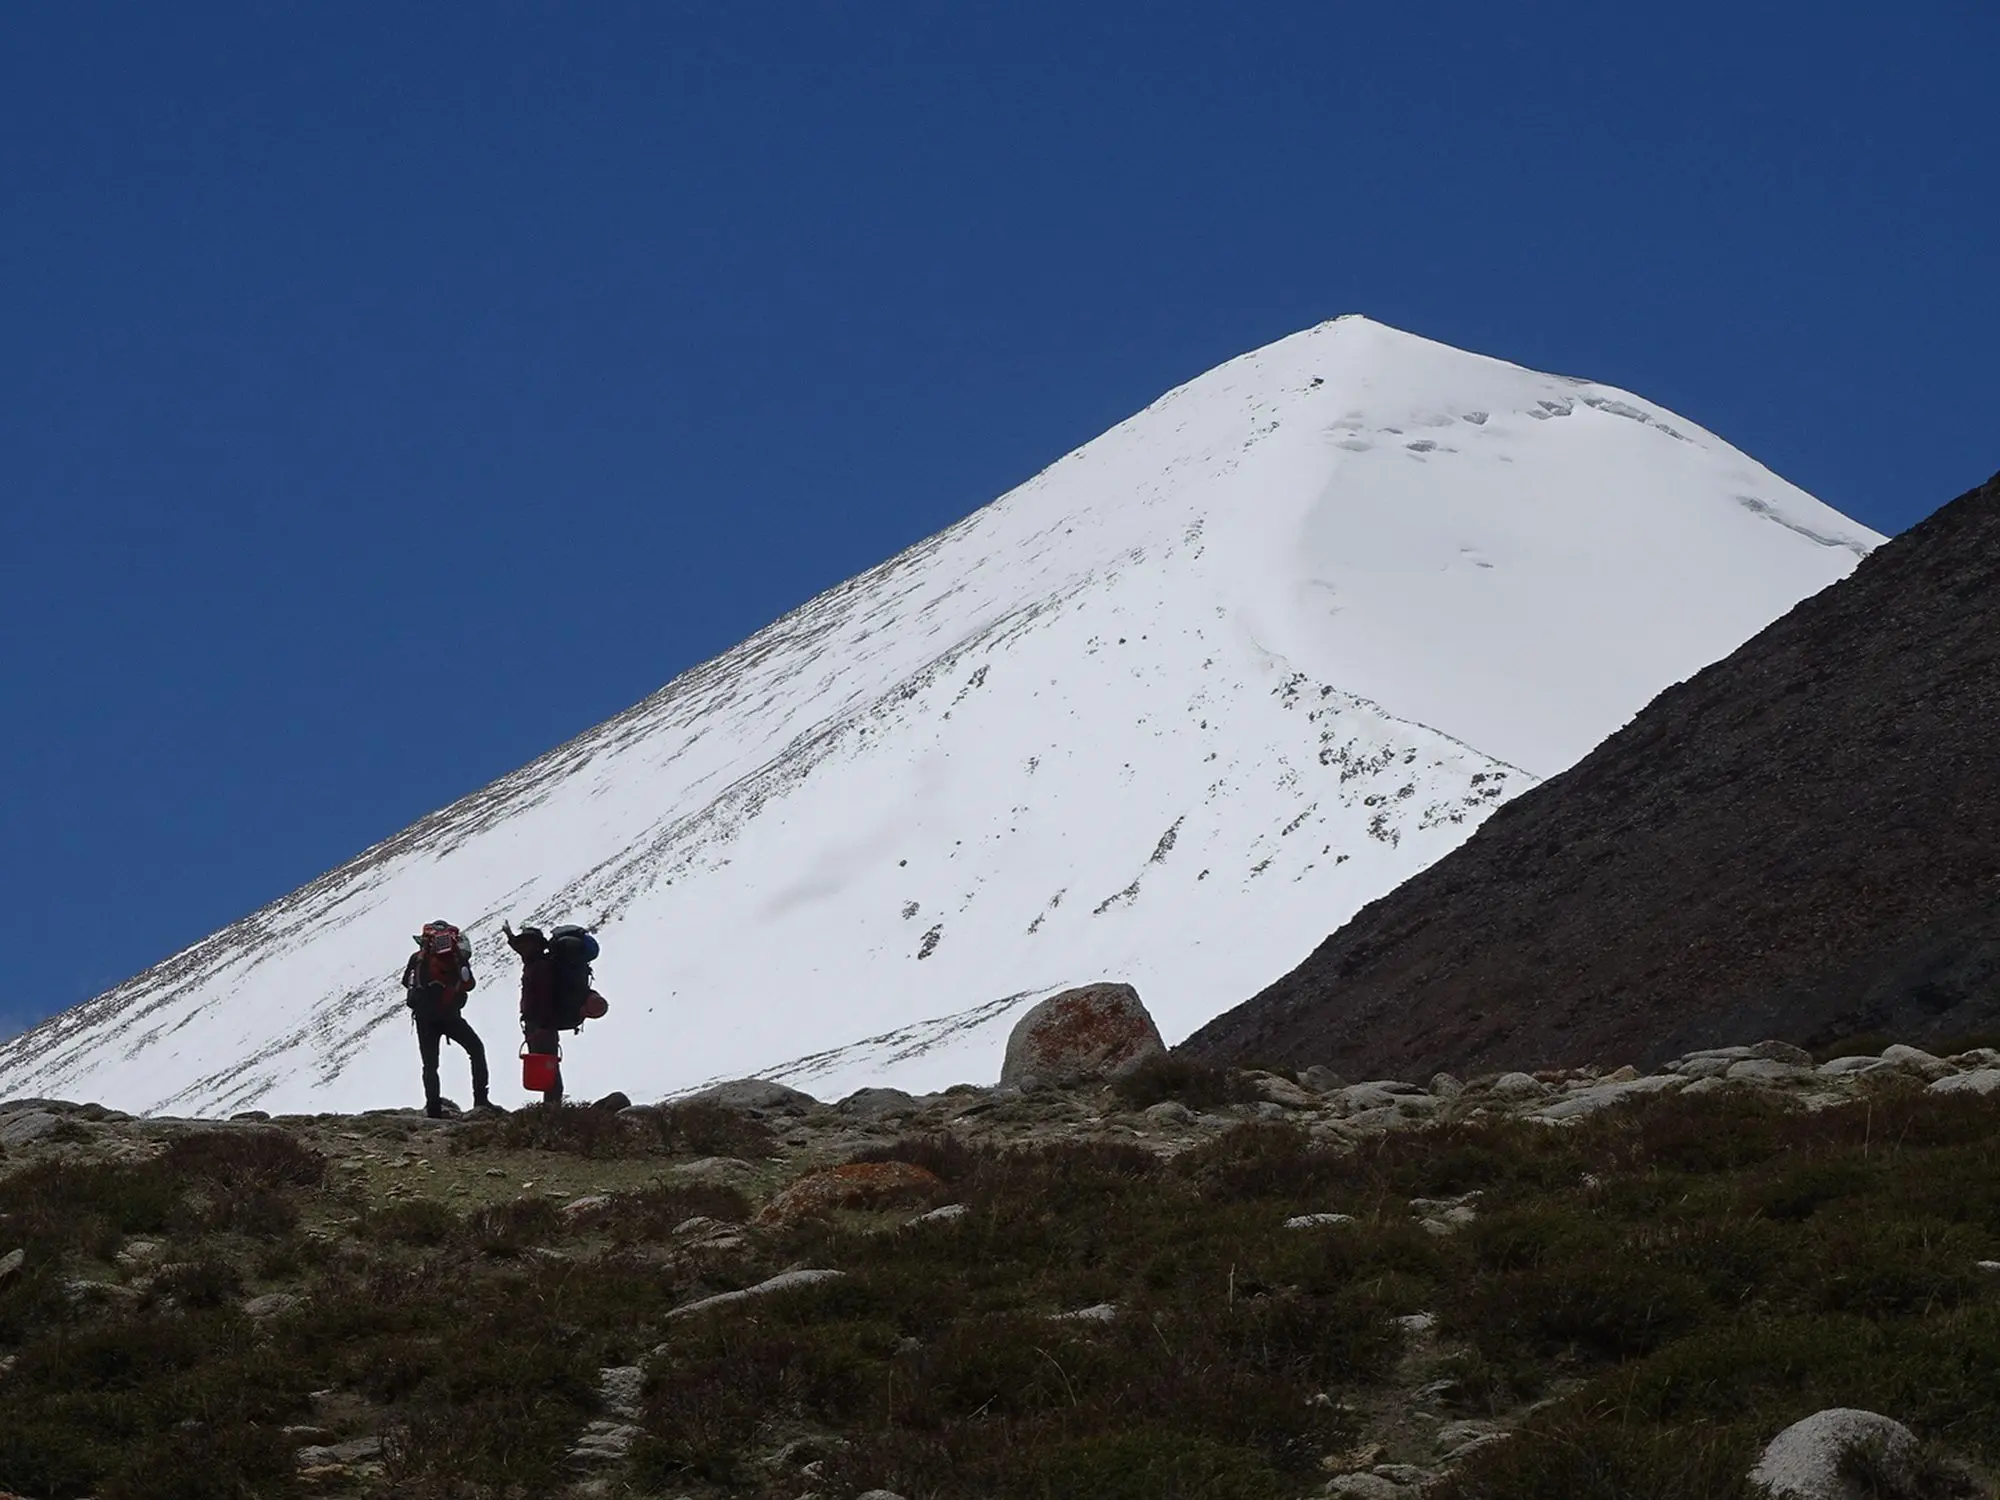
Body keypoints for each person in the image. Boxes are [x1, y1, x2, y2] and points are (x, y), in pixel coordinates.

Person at [401, 919, 490, 1119]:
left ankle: (433, 1108)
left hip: (424, 1019)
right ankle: (481, 1101)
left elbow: (406, 981)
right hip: (450, 1016)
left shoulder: (417, 958)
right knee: (476, 1049)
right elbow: (469, 983)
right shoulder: (455, 957)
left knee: (430, 1064)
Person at [506, 921, 564, 1105]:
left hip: (541, 1026)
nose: (522, 946)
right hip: (536, 1026)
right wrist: (510, 936)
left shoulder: (540, 967)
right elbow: (519, 948)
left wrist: (544, 1026)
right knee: (546, 1068)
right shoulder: (533, 961)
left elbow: (546, 998)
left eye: (526, 942)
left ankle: (553, 1111)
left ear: (536, 945)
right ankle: (552, 1109)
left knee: (549, 1069)